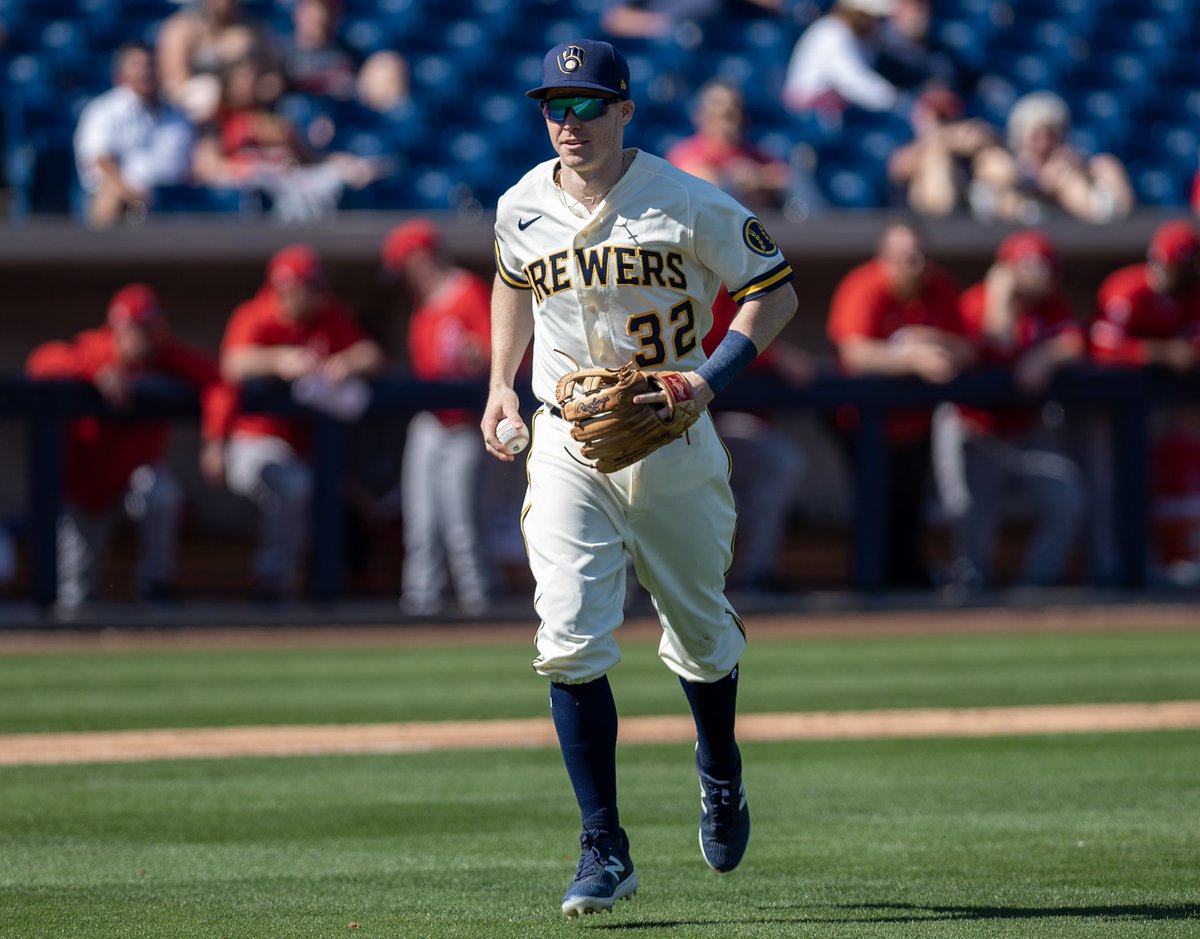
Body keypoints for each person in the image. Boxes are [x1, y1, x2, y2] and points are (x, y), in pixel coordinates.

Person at [482, 39, 798, 917]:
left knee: (701, 633)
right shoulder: (520, 203)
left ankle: (720, 768)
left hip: (671, 430)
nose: (569, 122)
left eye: (587, 106)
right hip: (567, 436)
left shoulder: (687, 200)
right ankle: (602, 843)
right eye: (555, 105)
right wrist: (501, 387)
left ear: (625, 111)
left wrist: (708, 380)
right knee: (569, 636)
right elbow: (510, 278)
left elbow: (774, 290)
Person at [25, 284, 230, 609]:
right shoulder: (95, 350)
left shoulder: (165, 357)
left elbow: (218, 381)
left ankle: (156, 585)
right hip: (86, 489)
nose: (141, 337)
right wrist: (96, 373)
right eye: (133, 328)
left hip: (134, 476)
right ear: (117, 327)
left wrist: (216, 441)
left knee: (161, 494)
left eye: (147, 328)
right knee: (75, 596)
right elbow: (40, 362)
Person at [219, 244, 386, 600]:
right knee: (293, 486)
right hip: (254, 442)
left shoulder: (328, 314)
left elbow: (372, 355)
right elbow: (232, 363)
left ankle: (297, 583)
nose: (319, 293)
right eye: (311, 286)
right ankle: (272, 579)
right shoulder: (256, 314)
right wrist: (278, 359)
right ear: (288, 288)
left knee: (349, 494)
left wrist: (347, 362)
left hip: (306, 448)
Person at [931, 230, 1087, 591]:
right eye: (1032, 267)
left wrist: (1047, 355)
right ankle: (971, 590)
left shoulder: (1050, 305)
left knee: (1068, 498)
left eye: (1047, 268)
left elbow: (1076, 341)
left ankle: (1037, 585)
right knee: (967, 513)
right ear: (1006, 269)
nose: (1043, 276)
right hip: (973, 428)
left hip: (1024, 431)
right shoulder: (974, 302)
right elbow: (988, 344)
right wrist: (999, 300)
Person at [827, 220, 972, 588]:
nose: (915, 264)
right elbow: (855, 353)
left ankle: (906, 584)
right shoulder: (864, 285)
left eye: (920, 256)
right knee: (875, 508)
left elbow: (968, 348)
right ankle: (868, 589)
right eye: (906, 257)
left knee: (910, 508)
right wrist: (913, 359)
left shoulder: (939, 286)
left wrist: (925, 338)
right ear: (885, 258)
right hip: (862, 424)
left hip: (917, 424)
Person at [377, 219, 493, 617]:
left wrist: (478, 356)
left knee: (462, 527)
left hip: (466, 422)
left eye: (405, 264)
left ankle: (478, 606)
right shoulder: (423, 303)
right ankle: (420, 606)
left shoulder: (470, 293)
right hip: (429, 421)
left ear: (421, 257)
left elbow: (502, 357)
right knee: (421, 525)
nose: (404, 275)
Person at [704, 286, 814, 593]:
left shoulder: (744, 284)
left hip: (730, 426)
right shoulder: (705, 283)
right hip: (689, 423)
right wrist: (775, 357)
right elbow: (713, 347)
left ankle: (756, 570)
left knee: (782, 462)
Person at [191, 54, 387, 222]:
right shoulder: (217, 120)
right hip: (247, 195)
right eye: (243, 78)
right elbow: (209, 167)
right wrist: (256, 168)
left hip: (289, 188)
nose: (250, 84)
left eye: (254, 77)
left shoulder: (278, 123)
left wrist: (347, 164)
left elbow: (309, 160)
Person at [73, 42, 195, 228]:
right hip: (128, 194)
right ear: (120, 75)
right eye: (137, 66)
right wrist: (135, 196)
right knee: (108, 199)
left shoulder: (177, 114)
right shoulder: (104, 110)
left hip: (176, 194)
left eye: (150, 65)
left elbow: (194, 160)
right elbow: (100, 160)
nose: (146, 72)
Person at [970, 91, 1134, 225]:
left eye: (1052, 135)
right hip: (1014, 232)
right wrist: (1039, 185)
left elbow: (1123, 206)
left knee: (1076, 180)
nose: (1045, 144)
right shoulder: (1002, 163)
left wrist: (1077, 175)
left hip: (1082, 233)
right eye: (1036, 137)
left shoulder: (1082, 166)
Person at [666, 79, 795, 212]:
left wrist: (756, 178)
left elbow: (786, 177)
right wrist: (733, 178)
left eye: (741, 113)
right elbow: (700, 181)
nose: (737, 121)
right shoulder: (686, 151)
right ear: (705, 117)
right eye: (728, 115)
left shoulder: (754, 153)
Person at [156, 0, 281, 124]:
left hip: (250, 115)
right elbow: (173, 86)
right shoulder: (181, 28)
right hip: (200, 122)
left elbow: (274, 79)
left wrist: (255, 89)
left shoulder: (256, 29)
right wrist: (221, 93)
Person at [279, 0, 409, 113]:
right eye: (311, 9)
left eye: (326, 10)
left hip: (345, 121)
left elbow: (368, 90)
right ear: (298, 13)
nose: (318, 16)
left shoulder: (351, 53)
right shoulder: (279, 52)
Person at [886, 85, 996, 217]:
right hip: (922, 214)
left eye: (945, 118)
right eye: (937, 117)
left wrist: (951, 138)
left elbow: (982, 137)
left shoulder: (966, 134)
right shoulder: (909, 145)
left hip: (968, 202)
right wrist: (940, 140)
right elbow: (899, 168)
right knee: (936, 158)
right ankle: (940, 220)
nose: (941, 123)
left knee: (992, 157)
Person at [783, 0, 902, 114]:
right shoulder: (833, 33)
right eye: (870, 16)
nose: (876, 22)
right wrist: (895, 99)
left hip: (839, 108)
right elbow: (853, 80)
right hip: (810, 113)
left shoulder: (864, 37)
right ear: (856, 13)